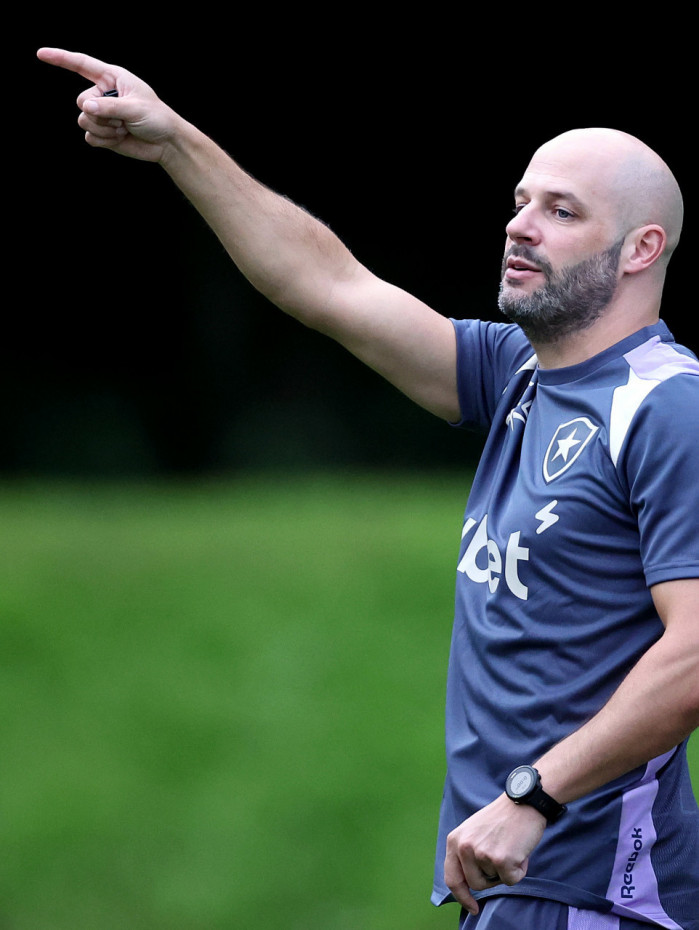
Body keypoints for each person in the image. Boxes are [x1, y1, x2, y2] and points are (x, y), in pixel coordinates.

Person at [37, 47, 699, 930]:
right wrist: (175, 144)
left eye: (559, 210)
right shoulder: (520, 376)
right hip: (517, 885)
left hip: (589, 893)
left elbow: (694, 652)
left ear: (639, 248)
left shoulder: (665, 406)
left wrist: (534, 797)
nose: (519, 226)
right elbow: (329, 286)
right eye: (518, 202)